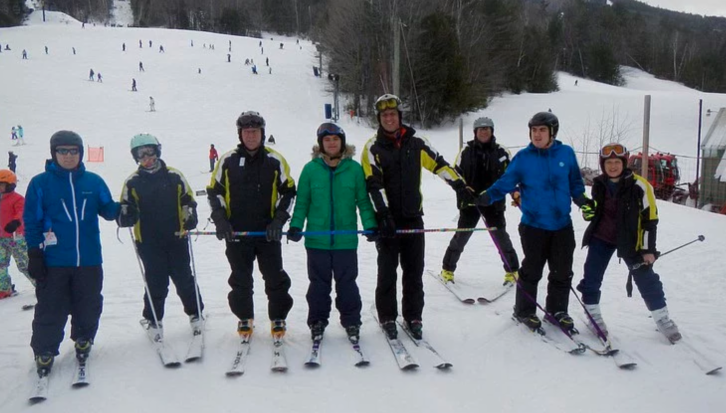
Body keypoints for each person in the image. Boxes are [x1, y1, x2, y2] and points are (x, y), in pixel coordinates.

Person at [361, 94, 471, 340]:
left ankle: (413, 316)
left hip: (413, 218)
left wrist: (460, 186)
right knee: (387, 272)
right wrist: (384, 215)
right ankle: (387, 316)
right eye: (384, 115)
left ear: (400, 116)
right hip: (388, 221)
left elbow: (439, 164)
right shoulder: (372, 147)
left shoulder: (417, 142)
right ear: (379, 119)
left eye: (393, 114)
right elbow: (373, 185)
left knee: (414, 271)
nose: (389, 118)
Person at [475, 112, 591, 332]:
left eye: (542, 130)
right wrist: (486, 196)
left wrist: (583, 202)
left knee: (562, 271)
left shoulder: (565, 153)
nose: (537, 135)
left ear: (552, 132)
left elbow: (575, 183)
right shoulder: (523, 158)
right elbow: (505, 182)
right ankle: (524, 311)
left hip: (562, 225)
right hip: (533, 225)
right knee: (531, 271)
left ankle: (557, 311)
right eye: (534, 130)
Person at [24, 131, 120, 376]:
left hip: (89, 259)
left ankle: (84, 338)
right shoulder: (40, 183)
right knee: (51, 307)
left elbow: (108, 209)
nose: (68, 156)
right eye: (63, 151)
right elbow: (32, 221)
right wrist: (34, 253)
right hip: (54, 260)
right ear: (54, 153)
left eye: (73, 151)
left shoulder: (93, 182)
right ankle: (45, 350)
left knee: (88, 303)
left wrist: (124, 211)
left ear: (80, 153)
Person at [576, 143, 681, 342]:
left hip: (631, 241)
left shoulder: (640, 186)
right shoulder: (599, 184)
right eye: (608, 162)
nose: (613, 166)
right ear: (603, 164)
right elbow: (597, 210)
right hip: (602, 237)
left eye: (617, 162)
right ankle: (593, 316)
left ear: (624, 163)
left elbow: (650, 220)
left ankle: (662, 318)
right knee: (591, 277)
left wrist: (648, 249)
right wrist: (588, 212)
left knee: (647, 279)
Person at [207, 111, 295, 339]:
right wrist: (220, 220)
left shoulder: (275, 160)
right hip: (237, 233)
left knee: (275, 277)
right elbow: (215, 192)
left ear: (262, 133)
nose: (251, 136)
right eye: (246, 132)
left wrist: (279, 220)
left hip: (268, 233)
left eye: (255, 131)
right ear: (240, 134)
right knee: (240, 279)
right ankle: (244, 317)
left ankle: (278, 317)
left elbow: (288, 192)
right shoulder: (227, 161)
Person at [287, 123, 378, 342]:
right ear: (320, 143)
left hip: (345, 240)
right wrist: (296, 225)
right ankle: (317, 321)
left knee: (347, 283)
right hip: (316, 240)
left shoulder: (354, 169)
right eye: (327, 140)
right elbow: (302, 202)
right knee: (318, 285)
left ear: (342, 142)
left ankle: (352, 321)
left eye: (335, 139)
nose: (331, 143)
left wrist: (370, 224)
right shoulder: (310, 170)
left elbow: (363, 201)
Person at [117, 134, 204, 336]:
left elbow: (187, 200)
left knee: (184, 278)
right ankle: (154, 319)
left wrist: (189, 216)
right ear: (136, 157)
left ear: (157, 152)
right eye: (141, 154)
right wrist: (125, 216)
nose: (147, 158)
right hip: (148, 241)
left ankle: (196, 313)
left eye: (150, 152)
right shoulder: (133, 182)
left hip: (176, 237)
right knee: (156, 281)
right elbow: (125, 207)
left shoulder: (174, 176)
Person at [440, 117, 520, 285]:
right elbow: (455, 175)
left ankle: (512, 272)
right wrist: (463, 191)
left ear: (492, 131)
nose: (484, 132)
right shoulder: (466, 151)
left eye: (487, 129)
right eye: (480, 129)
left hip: (494, 203)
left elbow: (511, 177)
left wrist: (515, 193)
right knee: (461, 237)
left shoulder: (502, 152)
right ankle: (447, 270)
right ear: (475, 132)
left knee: (501, 238)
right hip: (470, 203)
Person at [0, 170, 33, 299]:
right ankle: (4, 289)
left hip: (16, 238)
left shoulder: (17, 199)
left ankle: (42, 286)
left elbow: (22, 212)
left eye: (2, 185)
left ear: (10, 185)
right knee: (0, 264)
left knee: (24, 264)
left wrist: (16, 221)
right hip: (1, 238)